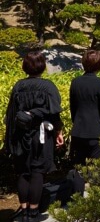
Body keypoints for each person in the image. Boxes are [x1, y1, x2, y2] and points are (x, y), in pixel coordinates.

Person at [4, 51, 64, 222]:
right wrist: (59, 133)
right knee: (38, 171)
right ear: (42, 66)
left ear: (25, 67)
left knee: (23, 172)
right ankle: (33, 212)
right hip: (41, 134)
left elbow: (11, 114)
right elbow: (55, 114)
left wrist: (9, 140)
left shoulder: (18, 86)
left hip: (20, 134)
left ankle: (23, 211)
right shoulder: (48, 87)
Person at [69, 50, 100, 168]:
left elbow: (73, 107)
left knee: (79, 167)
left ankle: (77, 187)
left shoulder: (75, 82)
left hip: (78, 131)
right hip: (95, 131)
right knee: (99, 168)